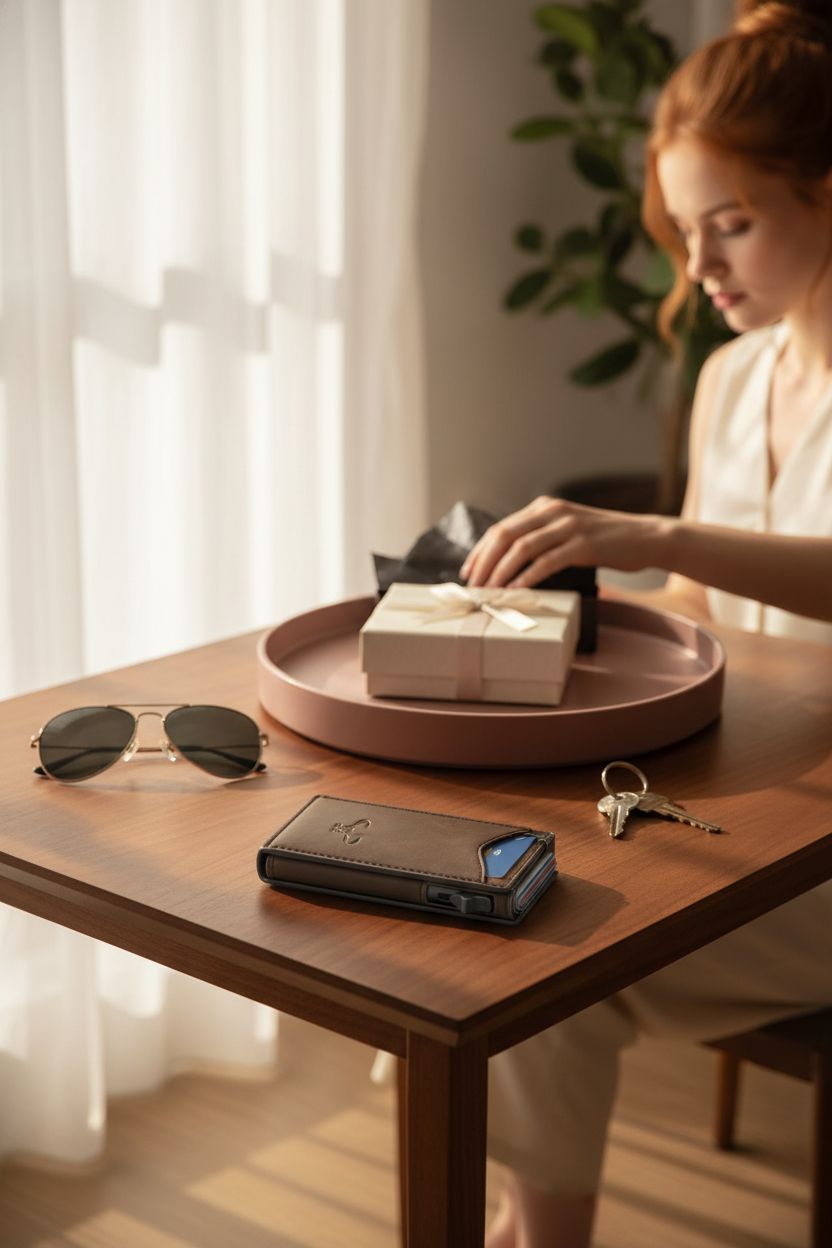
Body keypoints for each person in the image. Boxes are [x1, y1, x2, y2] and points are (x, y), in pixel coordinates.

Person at [461, 4, 832, 1245]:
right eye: (684, 231)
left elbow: (719, 560)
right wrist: (562, 594)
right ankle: (533, 1227)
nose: (701, 268)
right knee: (490, 908)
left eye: (730, 224)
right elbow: (705, 605)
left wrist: (653, 533)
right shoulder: (734, 374)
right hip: (759, 792)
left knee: (545, 965)